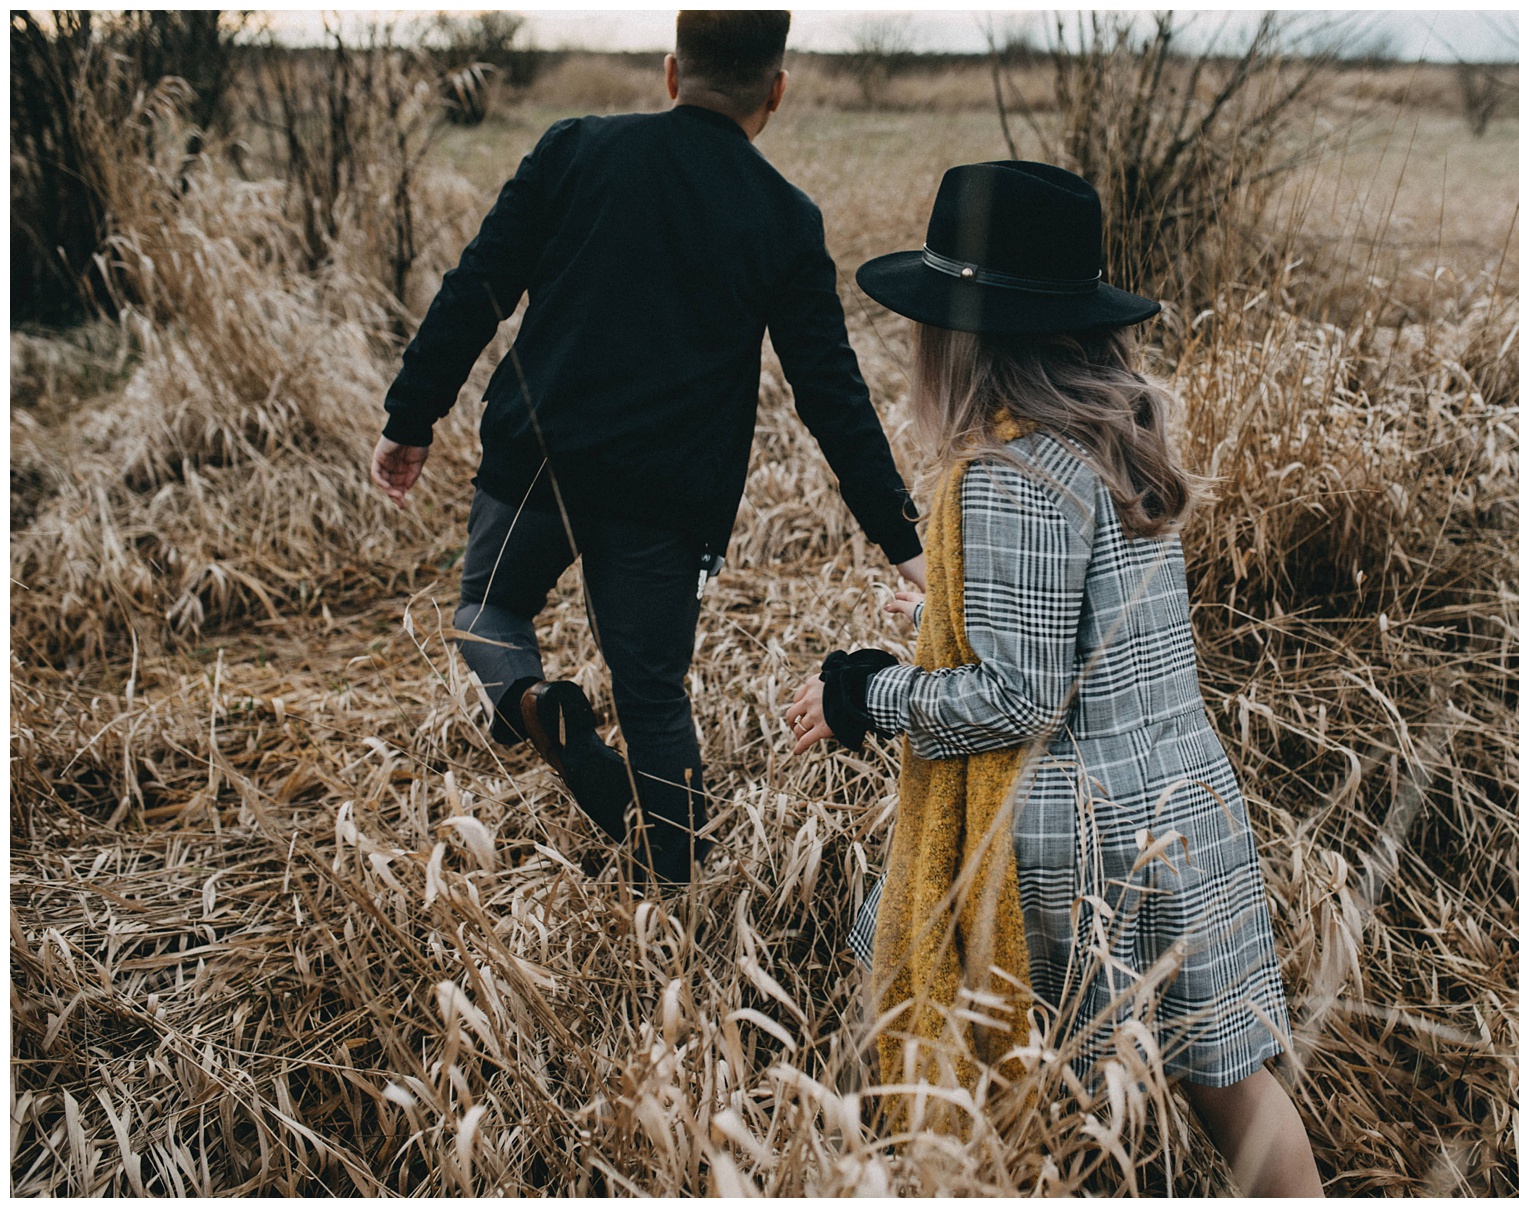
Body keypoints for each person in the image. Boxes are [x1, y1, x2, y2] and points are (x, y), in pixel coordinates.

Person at [784, 161, 1325, 1195]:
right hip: (1181, 797)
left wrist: (866, 692)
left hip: (1079, 840)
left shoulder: (1012, 475)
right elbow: (1098, 631)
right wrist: (941, 615)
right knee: (1227, 1070)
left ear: (966, 335)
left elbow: (1019, 700)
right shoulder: (1119, 433)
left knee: (1037, 1093)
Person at [371, 11, 925, 885]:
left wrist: (411, 415)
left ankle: (533, 704)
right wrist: (903, 539)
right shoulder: (784, 216)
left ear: (673, 73)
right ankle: (679, 892)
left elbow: (478, 287)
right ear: (776, 92)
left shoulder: (574, 150)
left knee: (489, 612)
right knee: (654, 697)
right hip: (666, 499)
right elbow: (833, 394)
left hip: (539, 462)